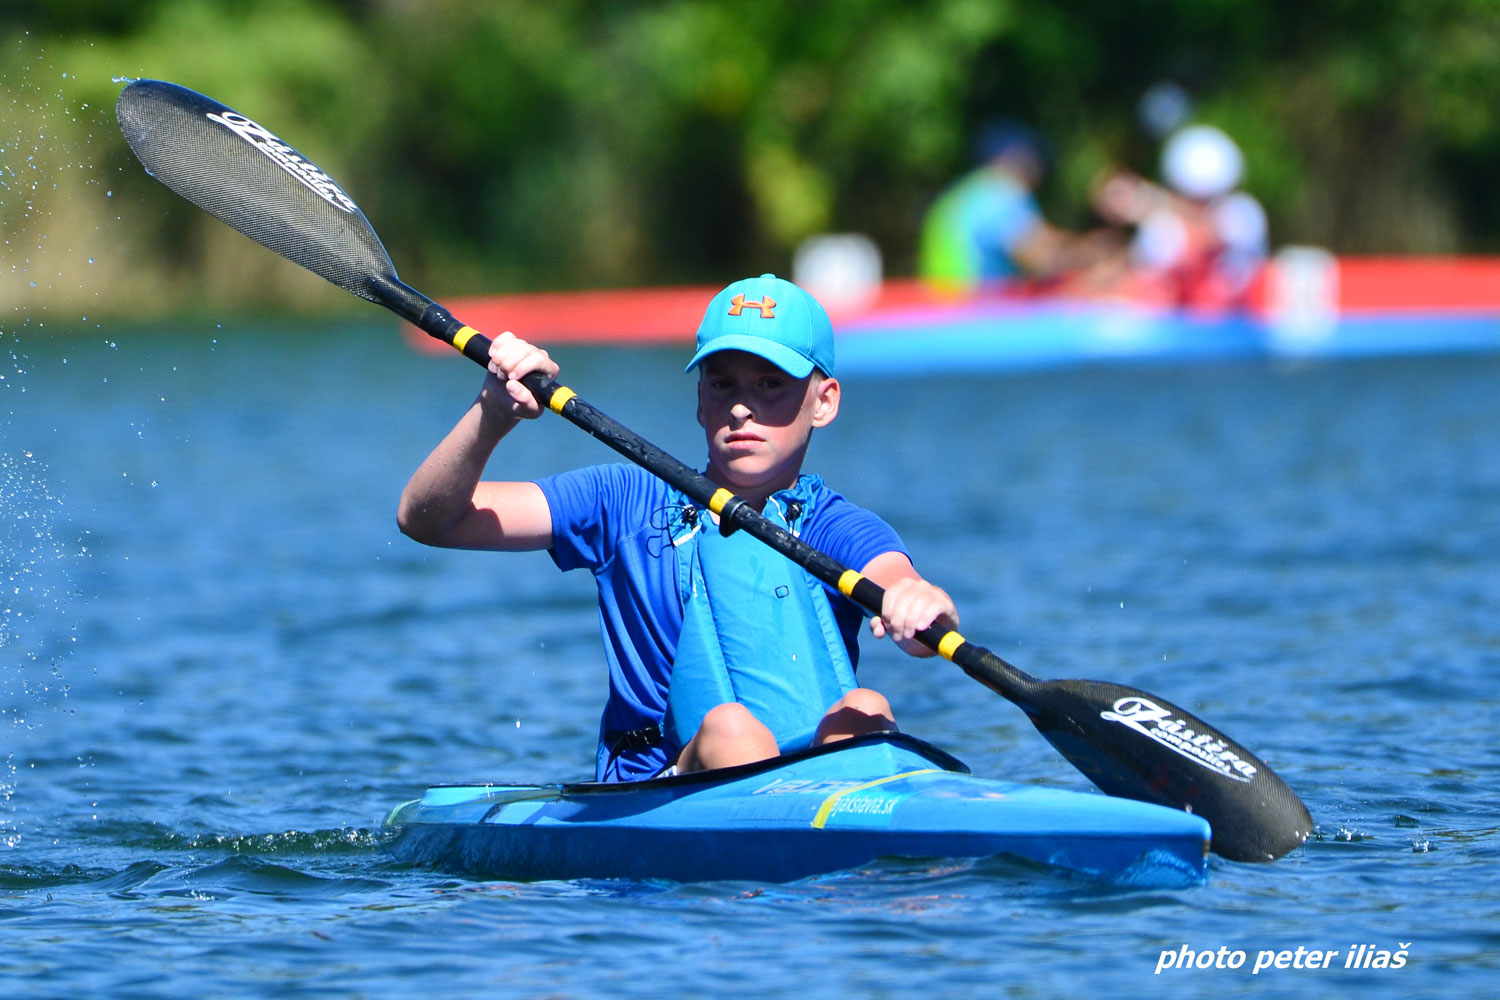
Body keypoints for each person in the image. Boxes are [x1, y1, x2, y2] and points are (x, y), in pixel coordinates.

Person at [398, 274, 959, 782]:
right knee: (733, 732)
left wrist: (917, 603)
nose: (742, 408)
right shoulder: (624, 499)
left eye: (769, 386)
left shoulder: (832, 523)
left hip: (814, 782)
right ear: (699, 399)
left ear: (824, 402)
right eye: (723, 385)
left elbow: (897, 582)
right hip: (661, 785)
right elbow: (429, 518)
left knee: (866, 710)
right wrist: (491, 415)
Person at [918, 121, 1123, 295]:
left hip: (946, 312)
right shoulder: (1001, 194)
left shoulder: (971, 192)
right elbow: (1042, 258)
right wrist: (1096, 254)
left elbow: (1040, 238)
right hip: (975, 314)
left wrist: (1081, 245)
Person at [1091, 124, 1269, 308]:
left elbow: (1210, 237)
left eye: (1206, 200)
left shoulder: (1241, 214)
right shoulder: (1163, 231)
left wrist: (1151, 203)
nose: (1200, 206)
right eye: (1195, 199)